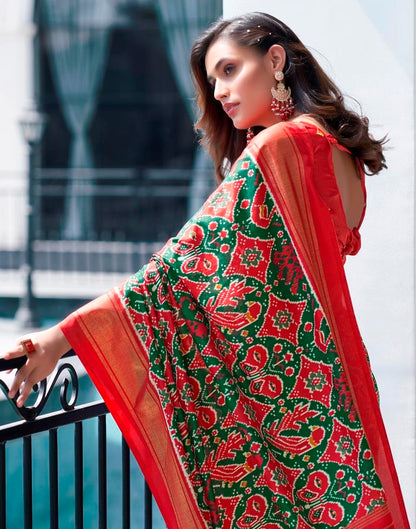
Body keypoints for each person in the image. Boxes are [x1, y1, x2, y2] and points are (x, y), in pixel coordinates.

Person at [2, 12, 410, 529]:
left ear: (276, 59)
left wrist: (64, 337)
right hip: (338, 409)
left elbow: (182, 269)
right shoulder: (341, 156)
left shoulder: (277, 148)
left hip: (289, 419)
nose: (218, 91)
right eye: (211, 80)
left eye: (229, 70)